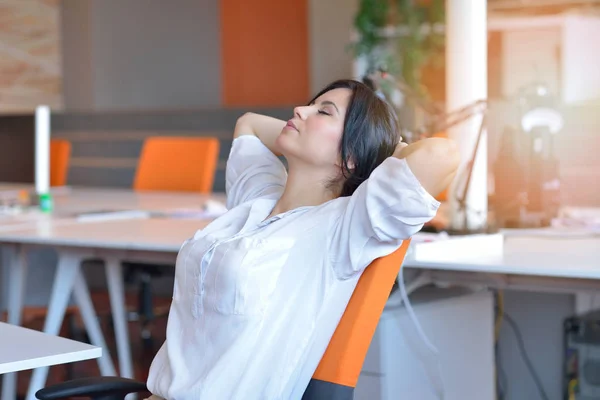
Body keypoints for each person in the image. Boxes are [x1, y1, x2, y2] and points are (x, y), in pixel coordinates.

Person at [145, 79, 460, 399]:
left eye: (323, 111)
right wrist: (320, 132)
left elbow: (442, 154)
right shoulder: (257, 197)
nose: (300, 110)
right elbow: (249, 124)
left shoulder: (344, 228)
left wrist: (374, 151)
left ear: (351, 154)